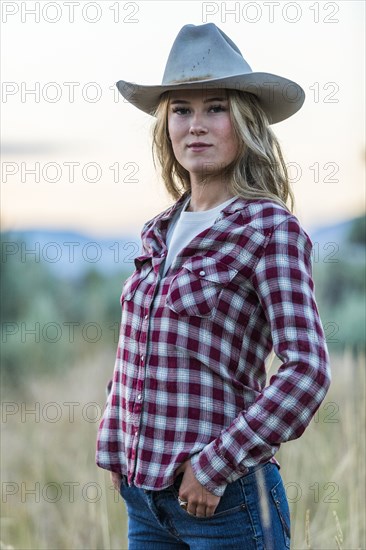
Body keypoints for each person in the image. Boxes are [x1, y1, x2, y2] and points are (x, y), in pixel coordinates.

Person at [96, 23, 331, 549]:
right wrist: (115, 443)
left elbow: (307, 372)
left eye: (215, 108)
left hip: (227, 505)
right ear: (166, 125)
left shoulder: (269, 231)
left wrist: (214, 466)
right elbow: (135, 349)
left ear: (245, 123)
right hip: (146, 504)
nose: (195, 126)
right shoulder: (159, 230)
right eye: (181, 109)